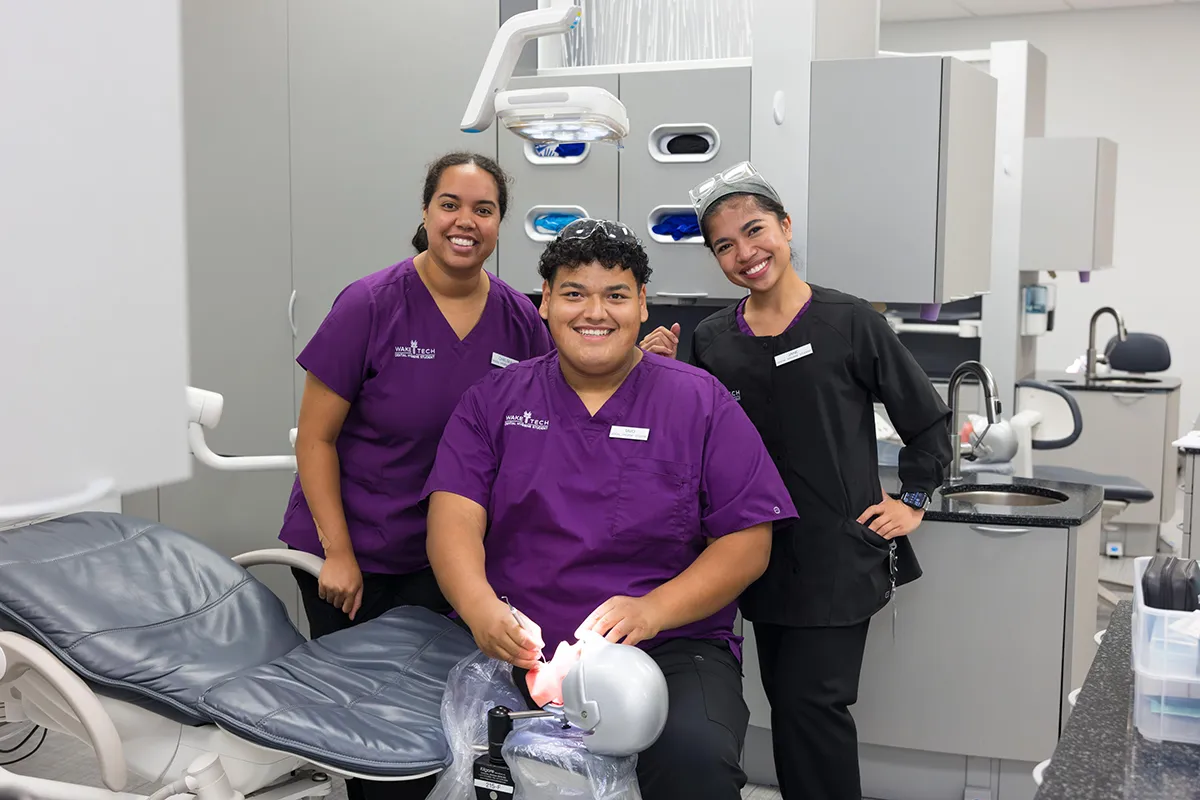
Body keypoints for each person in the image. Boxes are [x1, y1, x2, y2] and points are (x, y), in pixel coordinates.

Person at [421, 218, 798, 800]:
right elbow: (453, 520)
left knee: (696, 760)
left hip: (671, 643)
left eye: (615, 295)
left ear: (642, 304)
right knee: (462, 760)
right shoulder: (494, 402)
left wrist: (653, 610)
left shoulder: (699, 402)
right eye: (574, 293)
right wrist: (479, 608)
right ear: (545, 301)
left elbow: (749, 541)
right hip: (518, 646)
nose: (594, 312)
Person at [639, 162, 954, 800]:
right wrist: (658, 374)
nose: (745, 253)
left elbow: (927, 422)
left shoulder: (849, 322)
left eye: (755, 231)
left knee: (814, 713)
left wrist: (914, 501)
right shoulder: (714, 339)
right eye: (724, 245)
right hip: (751, 556)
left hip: (836, 556)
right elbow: (692, 435)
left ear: (785, 227)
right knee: (786, 706)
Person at [277, 152, 553, 800]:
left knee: (439, 724)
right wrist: (338, 554)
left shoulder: (517, 318)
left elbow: (557, 405)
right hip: (357, 555)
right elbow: (316, 439)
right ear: (427, 213)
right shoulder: (371, 305)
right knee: (372, 739)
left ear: (499, 223)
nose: (466, 221)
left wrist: (641, 360)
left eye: (483, 209)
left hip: (448, 559)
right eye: (450, 204)